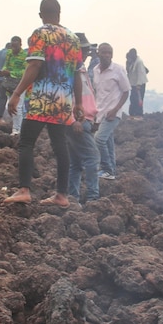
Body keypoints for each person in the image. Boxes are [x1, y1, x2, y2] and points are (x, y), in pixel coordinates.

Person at [3, 0, 83, 207]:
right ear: (59, 13)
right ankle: (62, 195)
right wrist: (79, 103)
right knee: (60, 146)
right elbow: (77, 74)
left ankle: (24, 190)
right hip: (63, 102)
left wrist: (17, 93)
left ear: (41, 15)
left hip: (41, 99)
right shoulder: (73, 38)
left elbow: (34, 67)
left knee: (26, 143)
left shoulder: (40, 34)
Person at [67, 33, 101, 202]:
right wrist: (74, 120)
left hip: (83, 120)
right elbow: (65, 97)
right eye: (85, 49)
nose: (88, 52)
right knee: (92, 158)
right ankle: (93, 199)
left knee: (76, 164)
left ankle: (73, 198)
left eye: (88, 49)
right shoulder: (70, 70)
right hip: (77, 122)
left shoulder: (81, 69)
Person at [93, 43, 131, 180]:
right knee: (107, 142)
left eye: (109, 52)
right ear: (98, 53)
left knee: (98, 139)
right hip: (101, 113)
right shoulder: (95, 70)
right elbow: (98, 94)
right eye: (104, 52)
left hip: (113, 114)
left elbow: (126, 92)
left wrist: (115, 110)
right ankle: (112, 170)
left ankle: (106, 169)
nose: (107, 55)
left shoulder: (118, 70)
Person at [0, 36, 28, 135]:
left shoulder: (25, 55)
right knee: (11, 106)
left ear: (20, 44)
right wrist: (3, 71)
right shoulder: (9, 53)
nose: (13, 49)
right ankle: (18, 128)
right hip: (10, 84)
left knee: (18, 107)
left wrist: (10, 73)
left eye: (15, 46)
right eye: (12, 46)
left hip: (21, 84)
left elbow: (25, 71)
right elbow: (6, 64)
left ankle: (17, 130)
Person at [126, 48, 148, 117]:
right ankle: (132, 114)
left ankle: (139, 114)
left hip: (139, 84)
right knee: (133, 98)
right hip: (133, 84)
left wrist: (138, 84)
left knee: (139, 99)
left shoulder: (139, 62)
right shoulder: (133, 62)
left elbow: (140, 73)